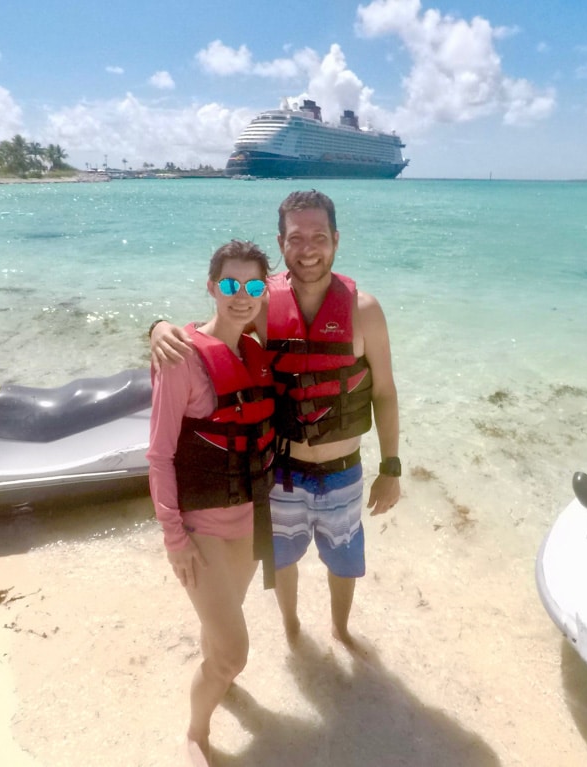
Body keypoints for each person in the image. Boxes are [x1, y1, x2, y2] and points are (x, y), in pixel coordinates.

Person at [150, 190, 401, 648]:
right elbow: (209, 334)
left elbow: (384, 392)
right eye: (296, 237)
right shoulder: (262, 306)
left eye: (319, 237)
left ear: (336, 240)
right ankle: (291, 631)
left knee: (343, 562)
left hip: (344, 471)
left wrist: (392, 467)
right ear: (281, 243)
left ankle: (341, 631)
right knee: (282, 561)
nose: (308, 249)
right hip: (282, 473)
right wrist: (158, 327)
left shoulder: (366, 311)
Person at [147, 239, 276, 765]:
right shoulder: (181, 357)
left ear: (265, 291)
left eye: (252, 285)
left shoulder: (254, 350)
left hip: (247, 522)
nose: (240, 295)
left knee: (221, 628)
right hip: (200, 527)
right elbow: (158, 456)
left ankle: (218, 679)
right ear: (210, 287)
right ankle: (196, 733)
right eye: (229, 284)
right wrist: (173, 538)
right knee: (233, 653)